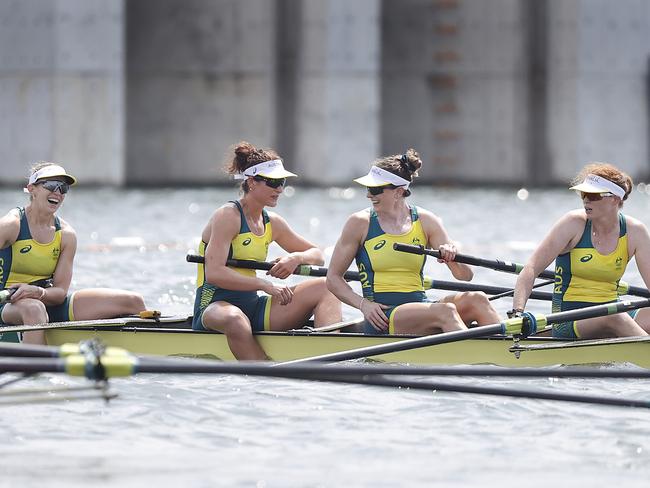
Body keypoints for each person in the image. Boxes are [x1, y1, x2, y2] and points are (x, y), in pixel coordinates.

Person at [326, 148, 500, 335]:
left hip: (421, 307)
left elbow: (465, 276)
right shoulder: (360, 223)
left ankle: (509, 353)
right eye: (368, 189)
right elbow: (333, 278)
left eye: (375, 189)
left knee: (478, 299)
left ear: (399, 192)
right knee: (447, 311)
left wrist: (453, 257)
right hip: (382, 315)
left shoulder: (426, 221)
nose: (369, 195)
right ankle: (479, 359)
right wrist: (363, 305)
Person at [193, 141, 342, 360]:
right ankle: (264, 374)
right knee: (235, 319)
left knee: (327, 286)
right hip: (215, 305)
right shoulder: (228, 216)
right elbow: (214, 273)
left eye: (282, 182)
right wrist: (264, 285)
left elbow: (317, 255)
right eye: (273, 183)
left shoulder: (272, 222)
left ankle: (329, 359)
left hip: (253, 306)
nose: (280, 189)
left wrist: (295, 258)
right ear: (252, 182)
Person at [0, 162, 147, 344]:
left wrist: (36, 291)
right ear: (32, 189)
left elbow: (60, 292)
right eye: (52, 185)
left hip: (46, 301)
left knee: (133, 301)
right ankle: (35, 371)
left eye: (63, 188)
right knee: (34, 309)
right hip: (7, 304)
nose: (58, 193)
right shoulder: (11, 225)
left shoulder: (66, 235)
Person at [512, 162, 650, 339]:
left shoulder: (635, 231)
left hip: (612, 311)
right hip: (568, 319)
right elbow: (530, 269)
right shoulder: (573, 224)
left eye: (593, 195)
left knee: (620, 316)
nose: (586, 200)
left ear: (615, 199)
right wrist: (518, 312)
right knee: (615, 317)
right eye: (583, 194)